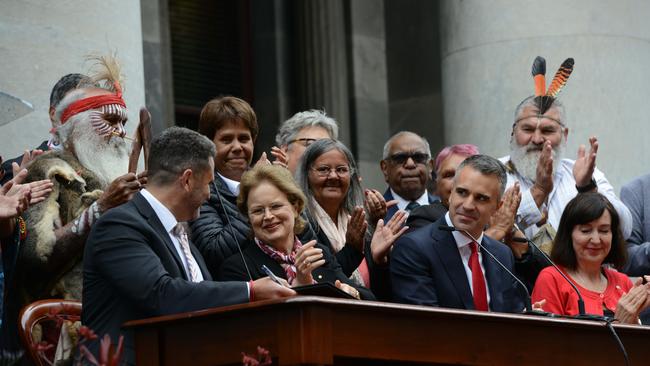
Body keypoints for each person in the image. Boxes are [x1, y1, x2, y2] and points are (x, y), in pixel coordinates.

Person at [82, 127, 294, 364]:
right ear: (187, 180)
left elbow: (202, 299)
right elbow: (163, 294)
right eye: (208, 184)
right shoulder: (119, 226)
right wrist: (251, 290)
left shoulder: (181, 235)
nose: (209, 195)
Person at [13, 56, 146, 311]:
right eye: (109, 121)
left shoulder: (125, 177)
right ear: (76, 126)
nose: (119, 131)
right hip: (70, 320)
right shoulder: (47, 169)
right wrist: (101, 208)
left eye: (123, 123)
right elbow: (36, 256)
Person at [218, 164, 389, 300]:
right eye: (258, 211)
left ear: (295, 207)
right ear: (248, 217)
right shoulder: (236, 268)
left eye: (276, 206)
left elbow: (369, 298)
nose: (268, 216)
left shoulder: (318, 253)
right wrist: (299, 286)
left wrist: (351, 293)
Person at [390, 155, 524, 312]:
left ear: (497, 207)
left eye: (481, 198)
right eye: (462, 192)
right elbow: (425, 326)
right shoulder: (413, 248)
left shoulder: (501, 254)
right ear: (451, 193)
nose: (468, 205)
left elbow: (511, 315)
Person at [499, 97, 632, 248]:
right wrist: (539, 192)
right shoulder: (494, 174)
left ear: (564, 135)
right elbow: (487, 233)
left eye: (547, 130)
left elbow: (625, 229)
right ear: (513, 132)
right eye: (528, 129)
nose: (537, 139)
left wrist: (588, 189)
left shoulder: (583, 172)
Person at [190, 96, 290, 277]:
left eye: (244, 138)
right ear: (208, 144)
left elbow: (307, 238)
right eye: (227, 140)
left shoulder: (271, 184)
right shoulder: (201, 191)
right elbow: (213, 251)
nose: (237, 147)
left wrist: (285, 189)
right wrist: (253, 194)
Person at [295, 139, 407, 300]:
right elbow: (327, 280)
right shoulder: (300, 224)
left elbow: (384, 296)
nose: (333, 176)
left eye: (341, 170)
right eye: (323, 169)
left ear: (351, 175)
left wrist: (379, 261)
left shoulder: (359, 219)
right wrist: (352, 249)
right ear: (307, 174)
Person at [531, 193, 650, 323]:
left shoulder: (622, 282)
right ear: (569, 234)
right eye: (586, 231)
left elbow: (636, 342)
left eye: (604, 231)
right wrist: (620, 323)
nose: (596, 240)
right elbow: (547, 342)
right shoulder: (551, 279)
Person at [1, 73, 94, 185]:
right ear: (54, 116)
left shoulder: (110, 169)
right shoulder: (14, 172)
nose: (89, 118)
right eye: (80, 109)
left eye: (96, 110)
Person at [406, 144, 479, 229]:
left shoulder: (489, 216)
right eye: (449, 175)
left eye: (466, 175)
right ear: (437, 181)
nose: (457, 183)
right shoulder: (422, 217)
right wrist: (495, 231)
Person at [380, 131, 439, 222]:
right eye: (400, 158)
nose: (410, 164)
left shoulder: (447, 210)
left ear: (430, 166)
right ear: (385, 168)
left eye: (418, 157)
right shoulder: (371, 215)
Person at [275, 109, 338, 174]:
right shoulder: (267, 182)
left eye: (327, 146)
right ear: (284, 151)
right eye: (310, 144)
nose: (320, 151)